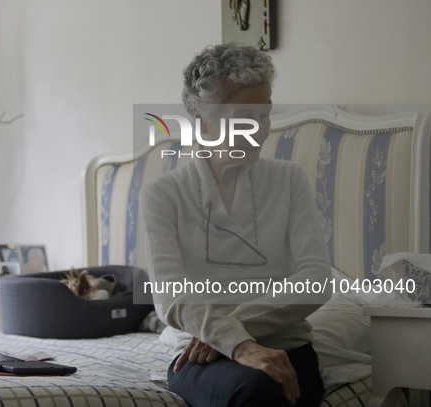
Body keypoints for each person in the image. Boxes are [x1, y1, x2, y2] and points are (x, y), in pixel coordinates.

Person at [140, 43, 332, 407]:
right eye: (245, 116)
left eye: (265, 115)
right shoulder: (162, 195)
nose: (260, 130)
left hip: (283, 347)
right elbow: (171, 297)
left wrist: (231, 332)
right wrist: (236, 344)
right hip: (197, 357)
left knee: (266, 388)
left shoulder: (289, 180)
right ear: (199, 117)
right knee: (252, 392)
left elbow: (317, 281)